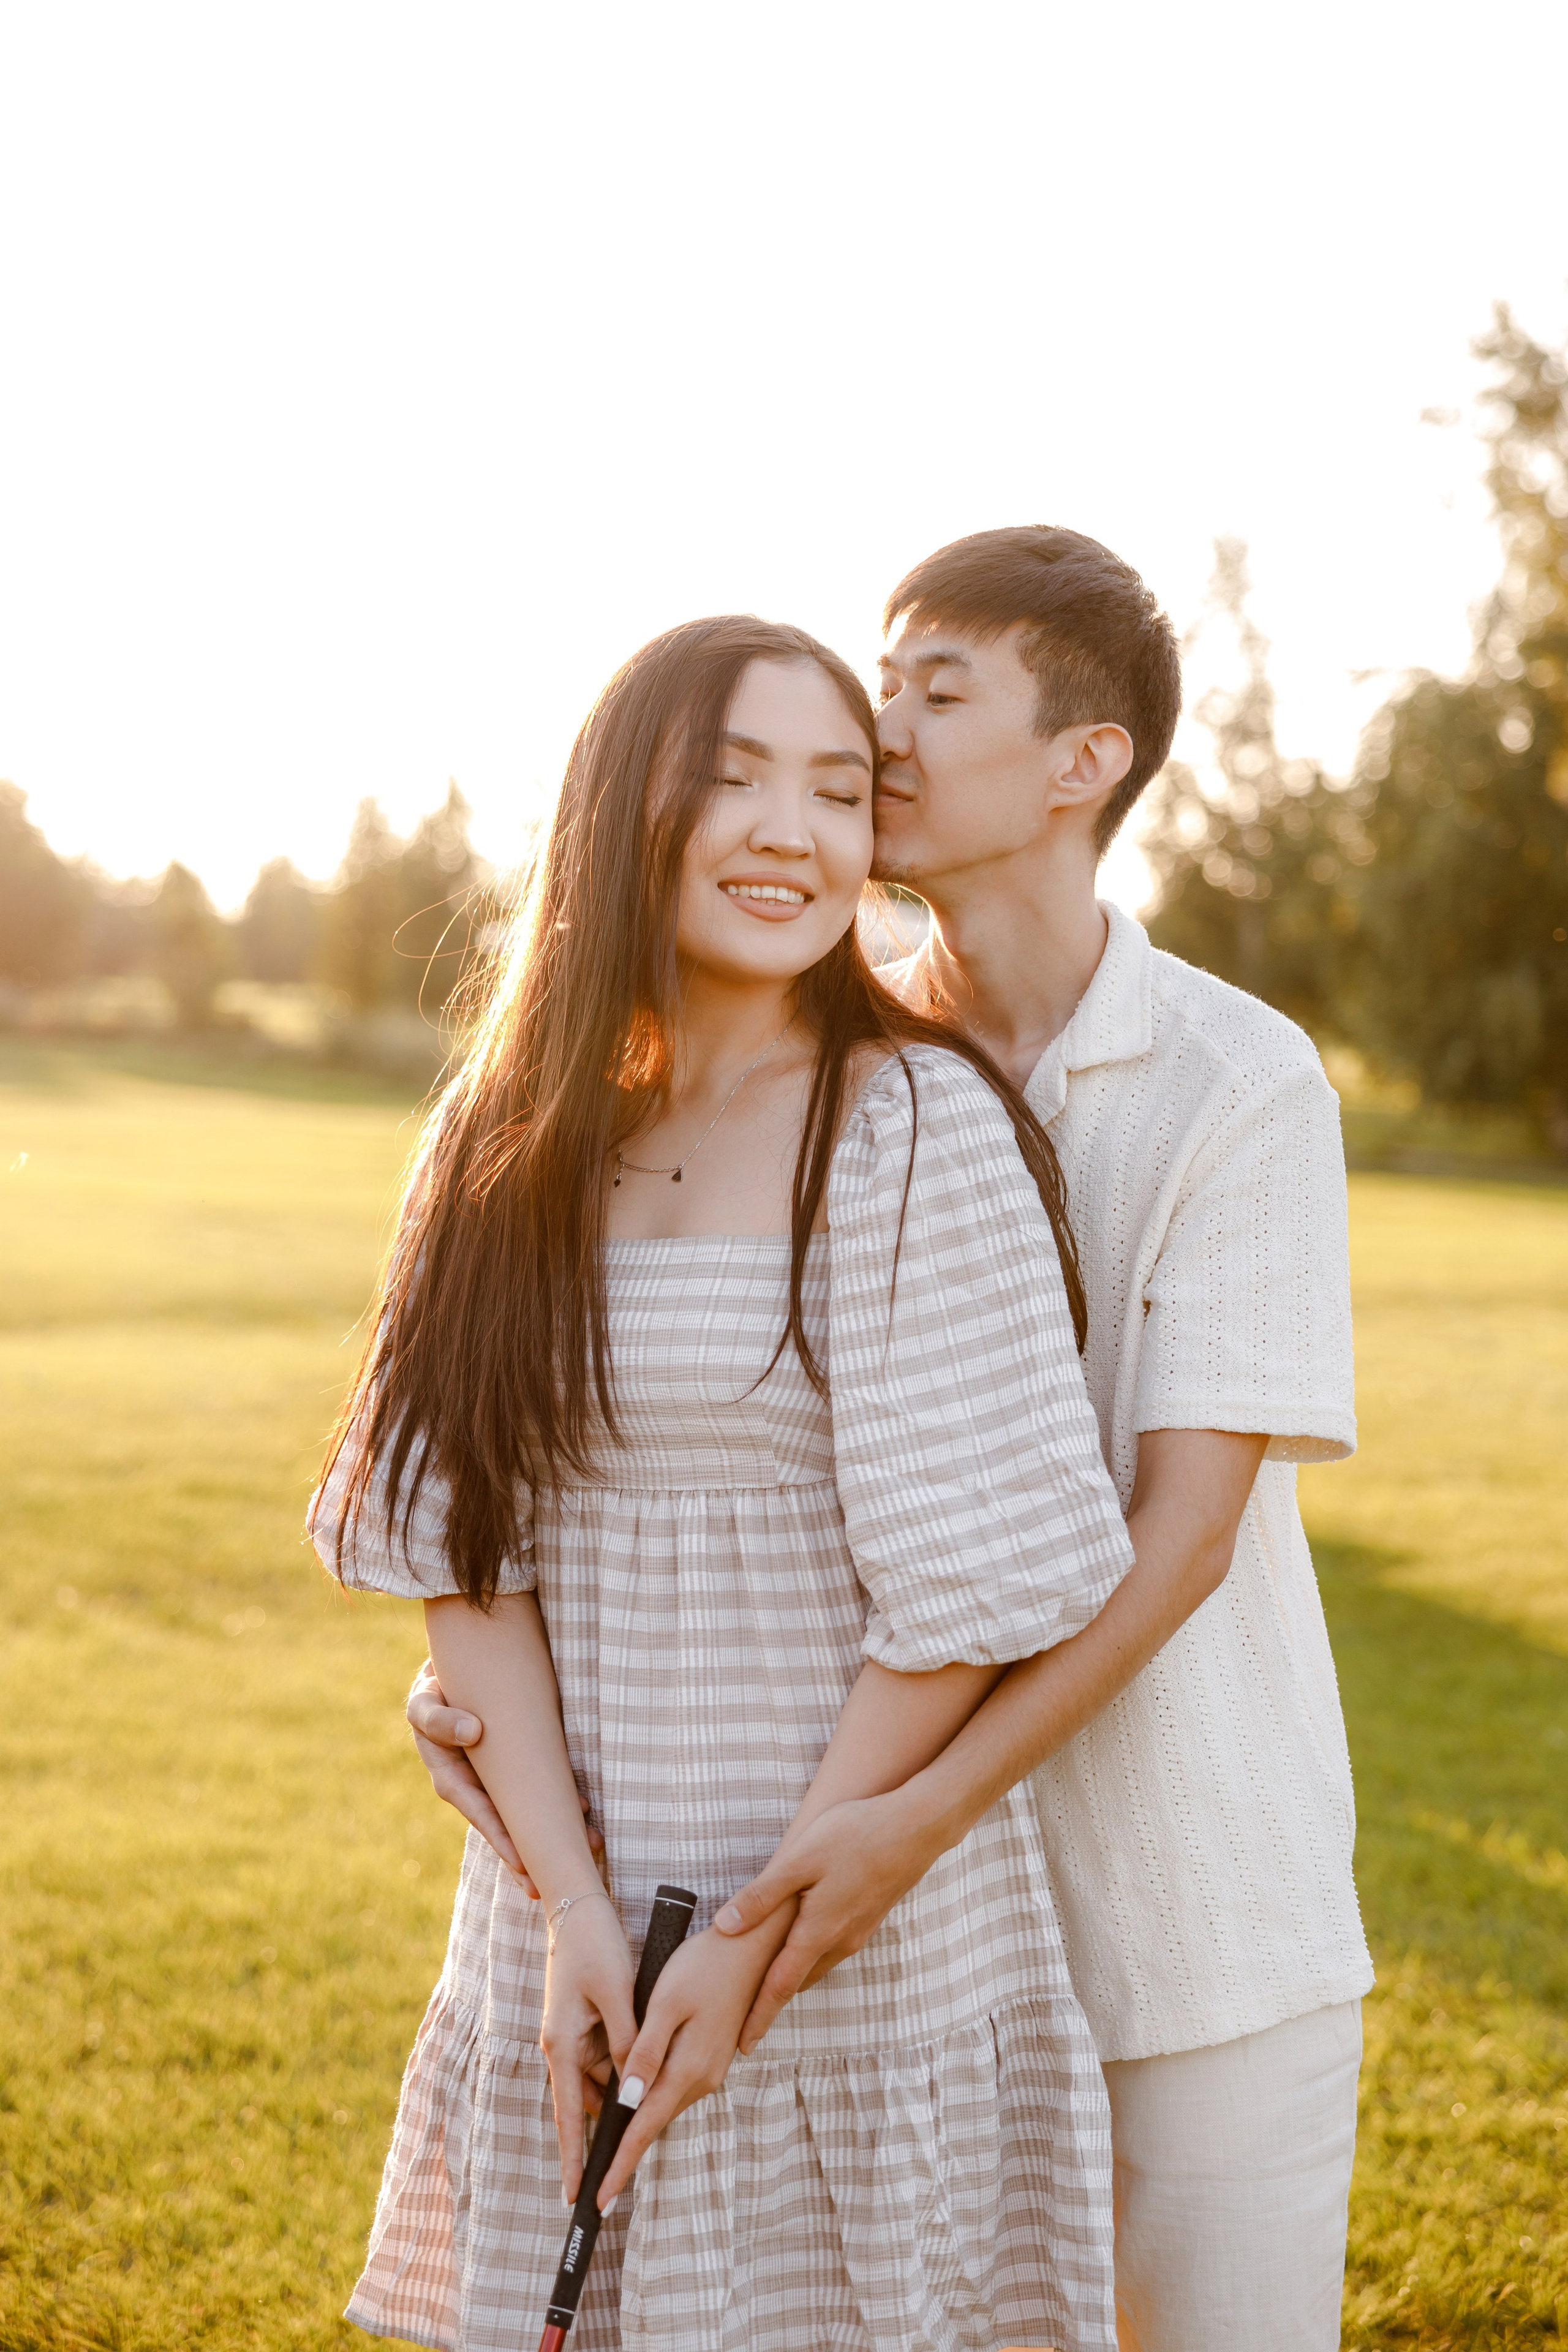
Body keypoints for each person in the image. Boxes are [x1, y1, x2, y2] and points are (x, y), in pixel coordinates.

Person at [412, 531, 1373, 2352]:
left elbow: (1181, 1542)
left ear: (1085, 764)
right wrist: (502, 1714)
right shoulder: (829, 1054)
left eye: (936, 693)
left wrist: (909, 1820)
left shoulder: (1236, 1083)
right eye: (887, 686)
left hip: (1174, 1888)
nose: (887, 727)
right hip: (896, 1918)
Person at [311, 613, 1139, 2352]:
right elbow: (469, 1563)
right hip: (577, 1931)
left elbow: (961, 1604)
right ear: (627, 807)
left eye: (843, 791)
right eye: (736, 776)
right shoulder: (499, 1137)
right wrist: (569, 1910)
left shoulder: (911, 1122)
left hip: (848, 1941)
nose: (796, 831)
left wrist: (760, 1935)